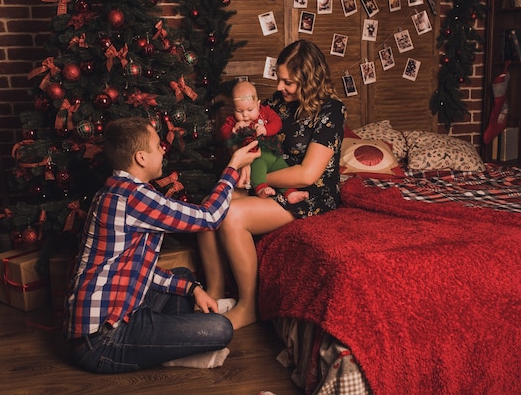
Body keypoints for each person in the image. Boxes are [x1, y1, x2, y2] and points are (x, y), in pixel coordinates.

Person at [63, 116, 261, 373]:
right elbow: (210, 218)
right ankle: (167, 351)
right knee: (221, 329)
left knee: (183, 278)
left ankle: (165, 345)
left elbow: (136, 269)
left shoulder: (116, 190)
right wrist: (233, 166)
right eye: (158, 146)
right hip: (101, 342)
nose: (162, 150)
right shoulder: (135, 198)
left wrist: (194, 290)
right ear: (141, 158)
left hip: (115, 313)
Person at [198, 40, 346, 330]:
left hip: (309, 195)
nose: (279, 86)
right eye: (279, 79)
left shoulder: (332, 111)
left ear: (309, 79)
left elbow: (307, 174)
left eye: (288, 81)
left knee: (231, 216)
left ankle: (249, 306)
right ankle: (214, 295)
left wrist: (257, 180)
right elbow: (248, 141)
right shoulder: (278, 103)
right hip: (267, 179)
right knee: (211, 206)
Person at [220, 80, 308, 204]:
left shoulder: (265, 112)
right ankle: (261, 188)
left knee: (282, 166)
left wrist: (266, 130)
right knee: (258, 169)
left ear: (258, 104)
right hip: (257, 156)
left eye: (250, 110)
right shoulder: (233, 120)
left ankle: (290, 193)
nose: (245, 115)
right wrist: (234, 130)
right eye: (239, 111)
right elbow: (224, 131)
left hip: (274, 153)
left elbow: (277, 123)